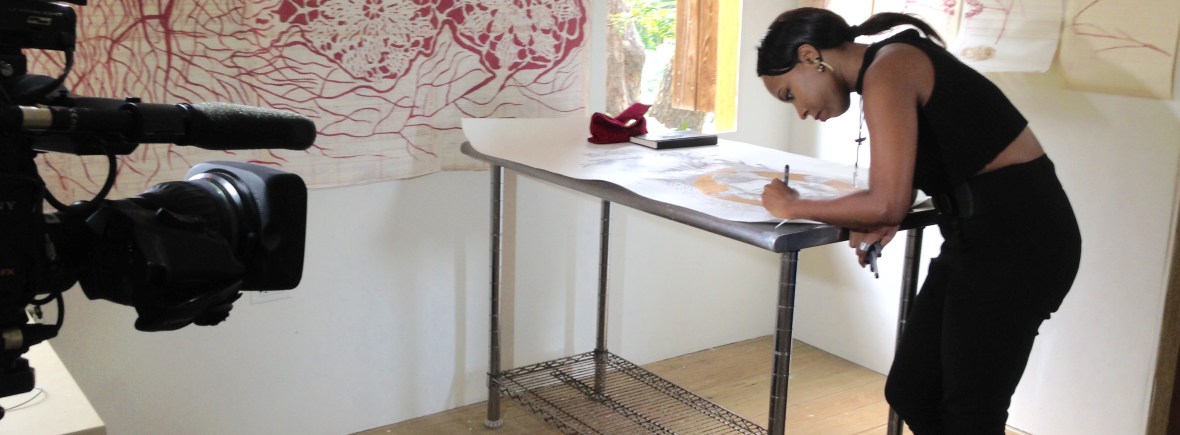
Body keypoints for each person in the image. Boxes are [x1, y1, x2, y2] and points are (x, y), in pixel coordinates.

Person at [756, 7, 1081, 435]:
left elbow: (886, 203)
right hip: (974, 234)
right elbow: (900, 189)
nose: (799, 111)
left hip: (1020, 242)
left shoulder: (891, 68)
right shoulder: (886, 67)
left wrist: (794, 206)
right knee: (913, 390)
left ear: (809, 56)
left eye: (789, 94)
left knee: (971, 413)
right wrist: (881, 212)